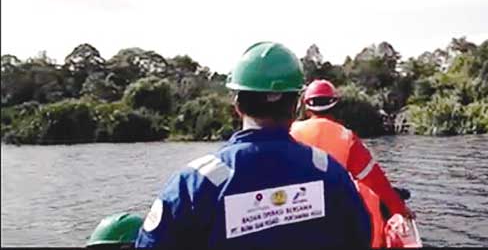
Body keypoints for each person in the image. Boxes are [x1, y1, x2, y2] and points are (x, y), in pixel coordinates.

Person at [135, 42, 371, 249]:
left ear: (237, 104)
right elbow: (361, 237)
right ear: (296, 106)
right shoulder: (329, 172)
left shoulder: (195, 183)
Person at [290, 79, 418, 247]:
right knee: (367, 193)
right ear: (335, 105)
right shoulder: (346, 137)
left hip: (297, 216)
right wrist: (399, 209)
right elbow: (376, 181)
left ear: (306, 107)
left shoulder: (290, 132)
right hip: (335, 220)